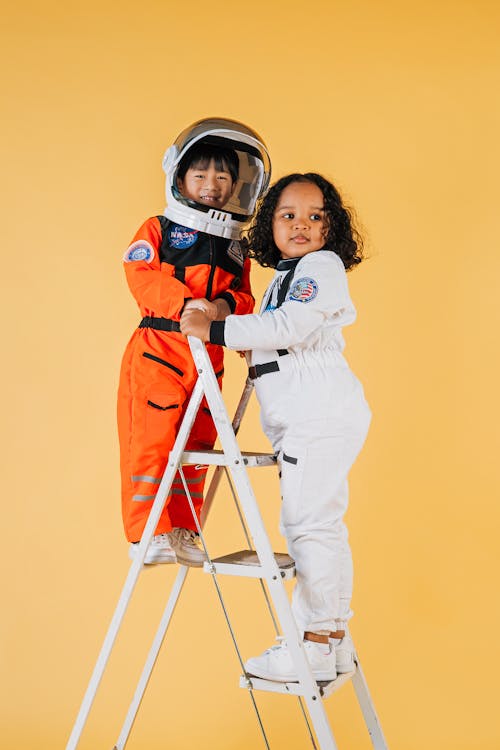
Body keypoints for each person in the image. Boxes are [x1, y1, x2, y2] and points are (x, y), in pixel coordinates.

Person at [180, 173, 371, 682]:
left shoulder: (320, 267)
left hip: (318, 411)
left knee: (309, 527)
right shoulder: (284, 277)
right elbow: (280, 334)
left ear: (332, 227)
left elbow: (292, 325)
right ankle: (331, 639)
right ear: (270, 224)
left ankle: (311, 642)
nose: (301, 225)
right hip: (304, 413)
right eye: (288, 215)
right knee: (320, 525)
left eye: (315, 216)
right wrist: (251, 342)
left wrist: (215, 329)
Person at [117, 118, 271, 568]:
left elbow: (244, 296)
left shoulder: (233, 248)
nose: (212, 184)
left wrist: (220, 308)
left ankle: (183, 529)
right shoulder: (159, 229)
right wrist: (188, 305)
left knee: (199, 447)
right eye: (200, 174)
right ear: (179, 177)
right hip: (159, 350)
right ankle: (147, 533)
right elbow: (139, 275)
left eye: (223, 176)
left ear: (237, 186)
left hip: (209, 358)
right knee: (152, 442)